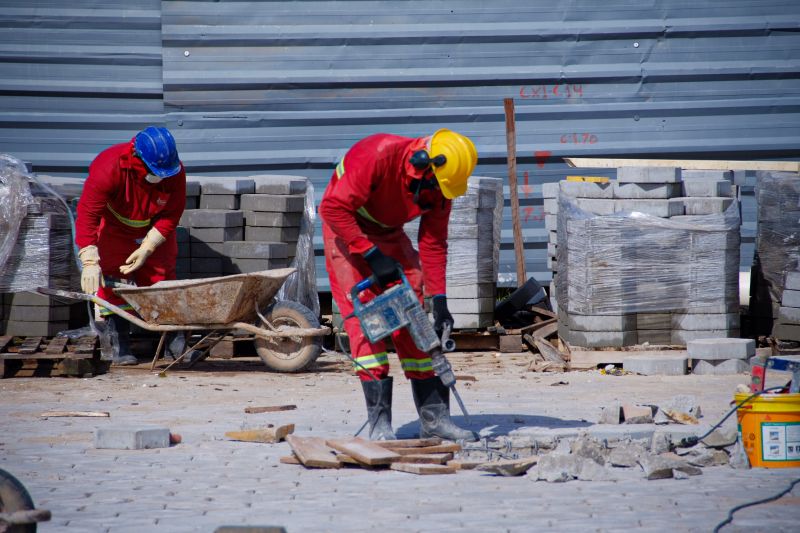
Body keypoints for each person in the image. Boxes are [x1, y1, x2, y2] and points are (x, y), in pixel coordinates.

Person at [319, 129, 478, 442]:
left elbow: (433, 243)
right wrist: (370, 254)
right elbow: (333, 208)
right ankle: (380, 426)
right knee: (368, 323)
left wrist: (440, 299)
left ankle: (435, 420)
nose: (438, 194)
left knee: (417, 321)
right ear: (423, 164)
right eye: (436, 185)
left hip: (388, 234)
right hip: (346, 230)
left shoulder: (440, 186)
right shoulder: (377, 154)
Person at [75, 126, 186, 365]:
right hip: (115, 228)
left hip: (153, 229)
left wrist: (148, 246)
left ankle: (172, 342)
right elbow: (87, 215)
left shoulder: (173, 171)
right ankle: (120, 343)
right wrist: (89, 260)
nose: (162, 177)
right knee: (113, 280)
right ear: (137, 157)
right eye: (157, 172)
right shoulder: (109, 167)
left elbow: (172, 213)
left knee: (163, 277)